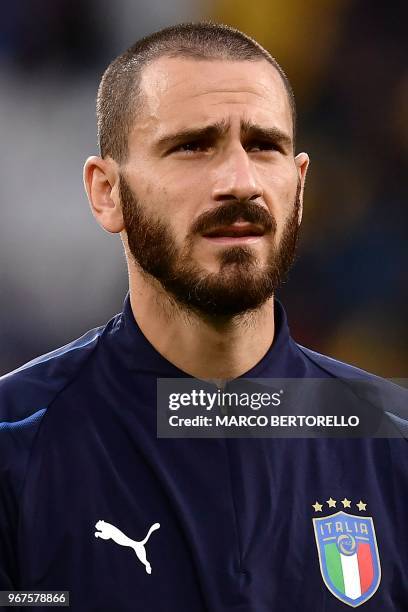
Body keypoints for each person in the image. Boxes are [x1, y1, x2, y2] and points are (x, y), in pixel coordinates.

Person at [0, 22, 407, 612]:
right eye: (193, 145)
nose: (238, 181)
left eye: (264, 145)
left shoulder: (392, 440)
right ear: (106, 192)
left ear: (298, 187)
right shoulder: (16, 447)